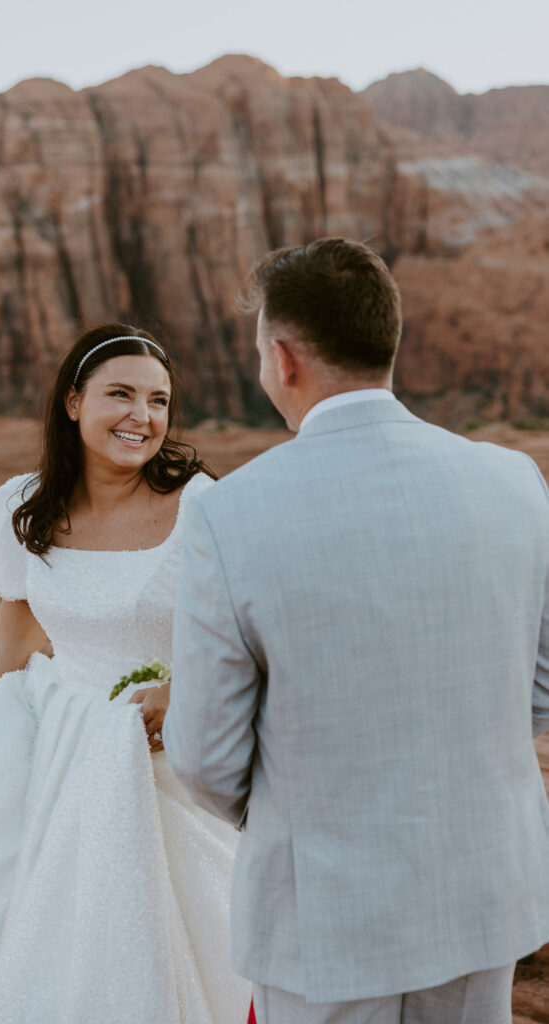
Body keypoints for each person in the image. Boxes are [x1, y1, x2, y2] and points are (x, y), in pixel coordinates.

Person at [164, 238, 549, 1024]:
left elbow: (204, 756)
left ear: (282, 358)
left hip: (323, 915)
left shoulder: (226, 511)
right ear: (386, 342)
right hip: (482, 893)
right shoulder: (513, 482)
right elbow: (539, 689)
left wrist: (301, 812)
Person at [0, 323, 252, 1024]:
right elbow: (21, 619)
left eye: (158, 401)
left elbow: (245, 630)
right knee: (34, 933)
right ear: (73, 401)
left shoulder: (203, 505)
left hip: (164, 760)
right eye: (121, 394)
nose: (142, 417)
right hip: (55, 748)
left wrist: (188, 691)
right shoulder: (20, 506)